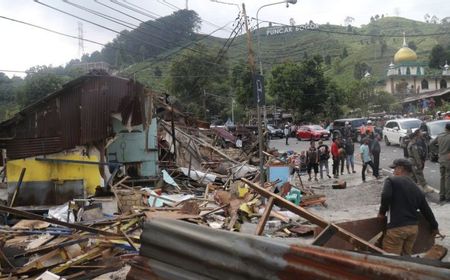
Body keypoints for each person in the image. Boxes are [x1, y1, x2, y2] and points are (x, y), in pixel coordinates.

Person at [378, 159, 439, 255]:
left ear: (401, 169)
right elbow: (426, 210)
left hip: (397, 228)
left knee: (391, 259)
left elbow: (386, 195)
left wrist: (381, 213)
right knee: (406, 257)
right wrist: (434, 226)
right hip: (413, 229)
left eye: (394, 169)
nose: (393, 172)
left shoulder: (391, 180)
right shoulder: (417, 188)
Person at [430, 122, 450, 202]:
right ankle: (448, 196)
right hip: (448, 159)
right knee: (448, 177)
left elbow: (431, 144)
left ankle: (442, 195)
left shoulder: (440, 135)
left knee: (442, 177)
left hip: (441, 158)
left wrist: (438, 152)